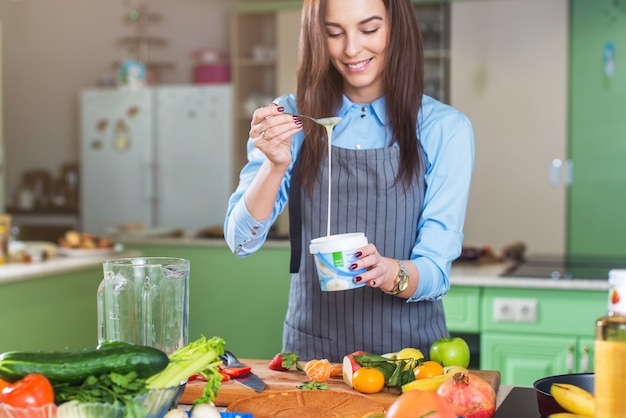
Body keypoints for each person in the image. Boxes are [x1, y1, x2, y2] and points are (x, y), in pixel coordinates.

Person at [224, 0, 474, 363]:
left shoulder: (444, 129)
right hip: (313, 357)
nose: (352, 49)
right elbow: (240, 240)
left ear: (396, 28)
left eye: (369, 29)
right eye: (334, 33)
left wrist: (387, 272)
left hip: (408, 363)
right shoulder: (288, 120)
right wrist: (274, 165)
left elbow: (436, 271)